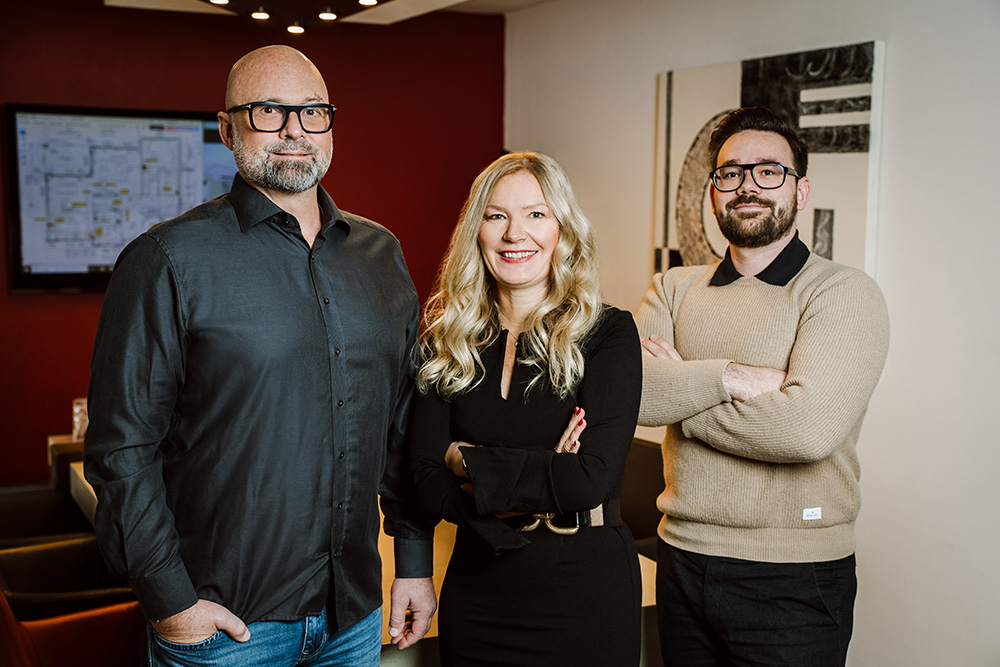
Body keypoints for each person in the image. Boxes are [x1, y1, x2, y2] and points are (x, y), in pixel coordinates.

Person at [84, 45, 435, 666]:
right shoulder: (166, 259)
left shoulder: (380, 255)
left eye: (312, 112)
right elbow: (120, 448)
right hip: (225, 630)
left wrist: (412, 560)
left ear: (330, 123)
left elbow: (405, 424)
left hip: (353, 618)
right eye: (269, 111)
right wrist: (171, 603)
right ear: (227, 129)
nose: (295, 130)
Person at [635, 106, 890, 666]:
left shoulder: (842, 292)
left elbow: (805, 431)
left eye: (769, 171)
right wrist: (732, 377)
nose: (747, 186)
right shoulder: (673, 287)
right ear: (713, 191)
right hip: (679, 557)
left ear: (801, 190)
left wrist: (682, 390)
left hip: (794, 576)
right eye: (731, 173)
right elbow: (633, 396)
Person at [408, 151, 643, 666]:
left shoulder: (608, 333)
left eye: (536, 214)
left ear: (563, 229)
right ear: (477, 231)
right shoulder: (446, 341)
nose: (516, 233)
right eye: (496, 216)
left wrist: (463, 459)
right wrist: (545, 469)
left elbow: (590, 479)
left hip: (584, 591)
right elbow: (422, 478)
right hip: (478, 588)